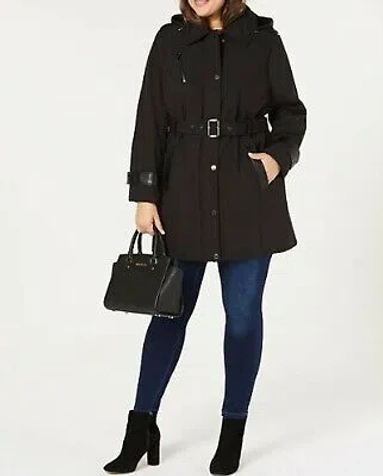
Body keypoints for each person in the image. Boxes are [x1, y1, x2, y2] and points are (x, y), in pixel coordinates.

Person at [103, 0, 307, 474]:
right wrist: (145, 194)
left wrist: (275, 161)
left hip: (247, 196)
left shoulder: (263, 41)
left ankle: (232, 430)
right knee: (168, 315)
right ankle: (140, 426)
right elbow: (149, 118)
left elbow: (291, 114)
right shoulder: (170, 41)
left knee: (242, 320)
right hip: (182, 196)